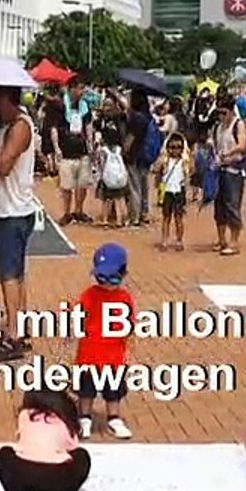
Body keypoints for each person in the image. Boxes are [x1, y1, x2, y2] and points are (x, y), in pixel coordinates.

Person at [0, 86, 39, 359]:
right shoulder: (8, 125)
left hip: (15, 210)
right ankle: (18, 329)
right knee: (14, 274)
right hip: (9, 207)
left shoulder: (21, 127)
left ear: (6, 99)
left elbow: (3, 165)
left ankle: (14, 333)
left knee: (9, 275)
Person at [0, 388, 91, 491]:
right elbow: (73, 448)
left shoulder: (25, 415)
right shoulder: (66, 419)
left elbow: (22, 441)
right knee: (82, 457)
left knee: (4, 454)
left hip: (23, 475)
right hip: (56, 479)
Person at [74, 242, 135, 440]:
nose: (107, 282)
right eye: (101, 277)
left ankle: (113, 418)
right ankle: (84, 417)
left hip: (113, 356)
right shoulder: (89, 295)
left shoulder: (124, 298)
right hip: (89, 355)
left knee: (113, 391)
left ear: (123, 274)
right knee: (86, 391)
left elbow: (129, 325)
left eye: (113, 277)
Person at [54, 79, 94, 225]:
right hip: (66, 151)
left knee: (82, 183)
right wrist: (56, 147)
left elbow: (88, 124)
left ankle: (79, 210)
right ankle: (66, 212)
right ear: (72, 89)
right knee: (66, 185)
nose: (82, 92)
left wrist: (90, 143)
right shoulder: (60, 105)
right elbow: (54, 127)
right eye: (80, 88)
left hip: (82, 150)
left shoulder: (85, 106)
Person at [211, 105, 246, 256]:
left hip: (234, 170)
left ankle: (234, 241)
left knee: (232, 205)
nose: (221, 116)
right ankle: (221, 240)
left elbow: (242, 145)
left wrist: (228, 153)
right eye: (219, 113)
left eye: (224, 113)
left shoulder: (238, 124)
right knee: (219, 207)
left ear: (231, 111)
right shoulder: (217, 127)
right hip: (219, 169)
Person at [153, 133, 192, 251]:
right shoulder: (165, 160)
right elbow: (156, 170)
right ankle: (164, 239)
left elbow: (189, 174)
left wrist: (189, 191)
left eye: (178, 147)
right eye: (172, 147)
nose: (175, 150)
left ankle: (179, 240)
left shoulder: (184, 161)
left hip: (178, 191)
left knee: (178, 217)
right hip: (167, 191)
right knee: (166, 217)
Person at [122, 90, 154, 227]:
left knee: (134, 187)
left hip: (134, 155)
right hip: (146, 155)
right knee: (144, 185)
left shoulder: (135, 117)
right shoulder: (148, 116)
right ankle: (144, 213)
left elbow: (131, 138)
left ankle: (135, 216)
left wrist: (124, 150)